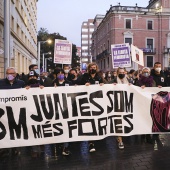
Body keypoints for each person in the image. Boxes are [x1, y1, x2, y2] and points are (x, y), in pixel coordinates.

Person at [0, 67, 25, 156]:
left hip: (16, 110)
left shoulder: (21, 83)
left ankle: (16, 147)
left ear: (15, 74)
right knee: (4, 129)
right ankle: (4, 148)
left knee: (15, 128)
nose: (10, 75)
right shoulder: (1, 83)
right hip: (4, 111)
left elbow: (26, 93)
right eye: (8, 73)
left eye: (12, 73)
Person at [80, 62, 104, 152]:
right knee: (90, 121)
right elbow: (79, 85)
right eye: (91, 67)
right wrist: (84, 85)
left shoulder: (99, 76)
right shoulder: (85, 76)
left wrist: (103, 85)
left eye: (94, 67)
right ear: (88, 68)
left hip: (98, 102)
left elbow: (105, 84)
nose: (93, 69)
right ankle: (91, 142)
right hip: (88, 102)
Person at [109, 67, 130, 149]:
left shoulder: (129, 81)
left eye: (123, 72)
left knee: (125, 121)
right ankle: (120, 140)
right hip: (117, 105)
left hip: (127, 104)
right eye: (120, 72)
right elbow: (106, 88)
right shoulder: (112, 81)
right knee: (118, 121)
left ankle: (122, 137)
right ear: (117, 73)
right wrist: (111, 86)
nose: (122, 73)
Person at [135, 67, 156, 144]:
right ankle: (143, 134)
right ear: (142, 73)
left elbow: (155, 90)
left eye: (147, 72)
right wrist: (140, 88)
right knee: (142, 118)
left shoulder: (153, 81)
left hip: (150, 102)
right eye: (144, 72)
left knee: (149, 119)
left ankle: (148, 135)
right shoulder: (138, 81)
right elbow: (135, 90)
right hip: (141, 103)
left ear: (149, 73)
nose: (146, 73)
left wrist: (159, 88)